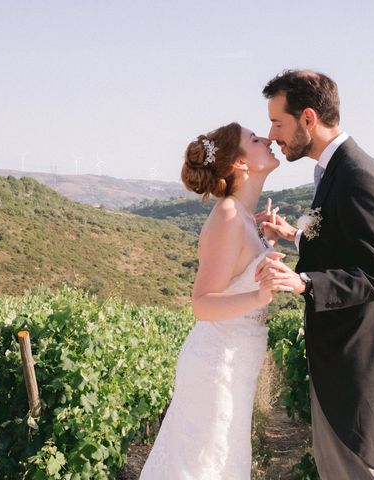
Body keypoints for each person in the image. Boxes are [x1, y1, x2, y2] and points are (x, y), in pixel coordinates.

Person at [256, 70, 374, 479]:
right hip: (340, 351)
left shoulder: (358, 175)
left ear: (308, 118)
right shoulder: (333, 169)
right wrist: (293, 234)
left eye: (278, 122)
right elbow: (342, 241)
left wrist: (304, 282)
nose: (272, 134)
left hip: (356, 357)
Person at [140, 122, 289, 479]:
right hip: (216, 369)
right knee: (204, 465)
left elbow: (234, 275)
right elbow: (203, 304)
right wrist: (260, 294)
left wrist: (264, 245)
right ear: (240, 163)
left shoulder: (242, 217)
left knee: (220, 461)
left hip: (234, 366)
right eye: (255, 140)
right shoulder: (228, 215)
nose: (267, 139)